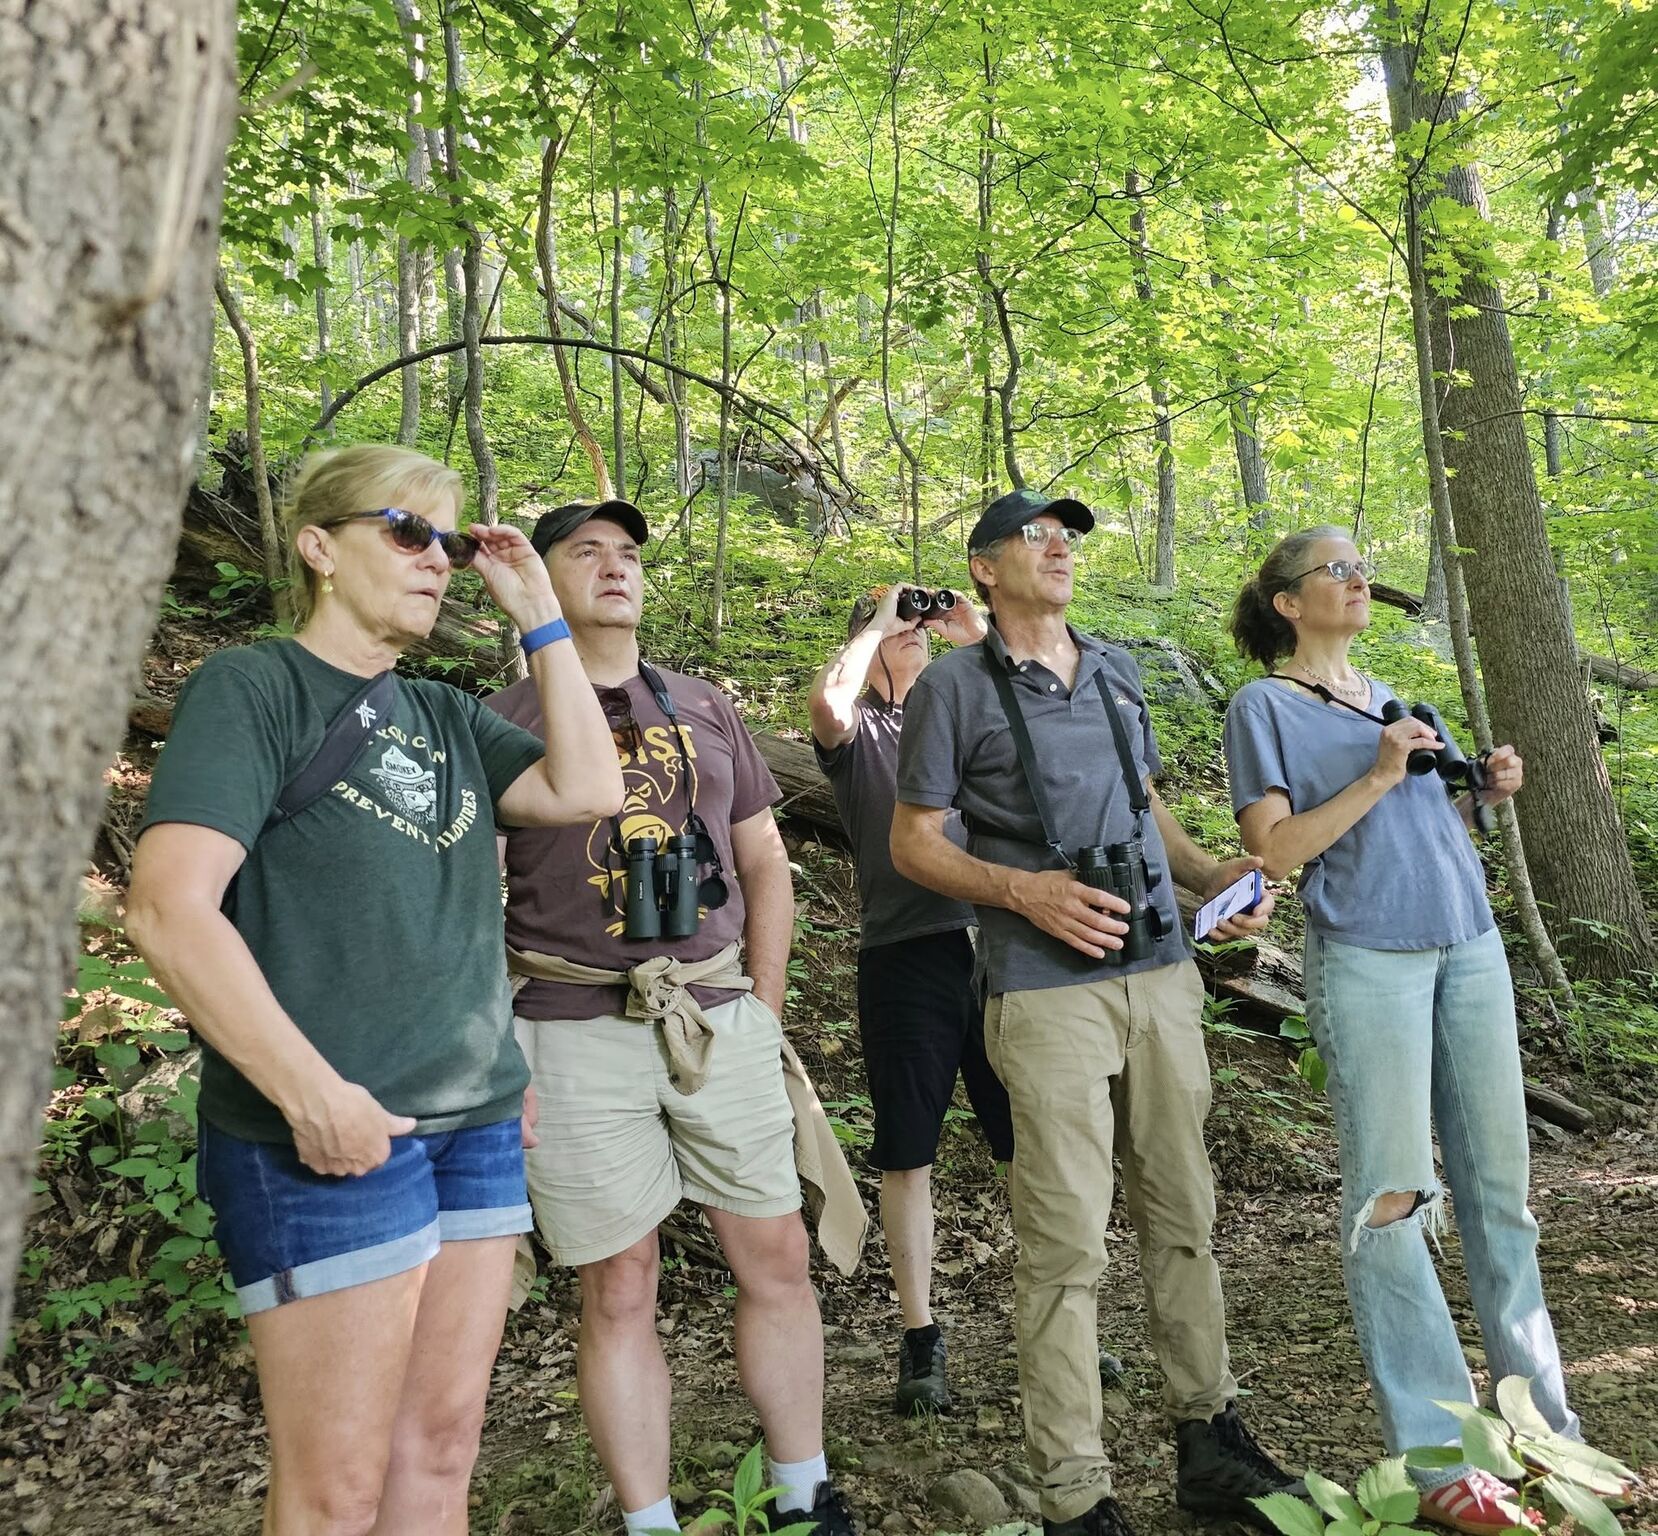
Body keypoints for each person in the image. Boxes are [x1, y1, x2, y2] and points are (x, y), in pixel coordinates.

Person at [125, 445, 623, 1536]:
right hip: (326, 1140)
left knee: (436, 1458)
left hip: (475, 1126)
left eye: (450, 544)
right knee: (335, 1493)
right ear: (317, 547)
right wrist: (310, 1093)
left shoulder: (443, 717)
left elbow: (589, 784)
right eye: (406, 532)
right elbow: (167, 909)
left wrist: (538, 609)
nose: (436, 561)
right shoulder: (252, 688)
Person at [889, 487, 1304, 1536]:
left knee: (1184, 1216)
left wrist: (1213, 873)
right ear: (984, 568)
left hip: (1161, 975)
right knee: (1066, 1245)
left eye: (1066, 536)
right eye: (1035, 537)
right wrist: (1019, 889)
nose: (1058, 548)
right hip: (1041, 990)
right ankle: (1076, 1492)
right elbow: (912, 844)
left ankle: (1207, 1438)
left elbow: (1142, 803)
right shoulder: (951, 688)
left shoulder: (1115, 666)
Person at [486, 499, 864, 1536]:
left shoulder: (703, 705)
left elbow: (762, 867)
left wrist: (764, 1011)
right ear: (541, 582)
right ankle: (648, 1520)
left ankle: (802, 1493)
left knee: (775, 1256)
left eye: (626, 555)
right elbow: (473, 896)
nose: (613, 568)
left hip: (715, 1012)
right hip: (569, 1027)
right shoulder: (501, 719)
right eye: (584, 553)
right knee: (618, 1283)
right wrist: (492, 1052)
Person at [1223, 526, 1598, 1534]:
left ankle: (1542, 1438)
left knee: (1500, 1199)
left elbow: (1432, 831)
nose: (1356, 583)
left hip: (1469, 950)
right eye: (1334, 572)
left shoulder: (1396, 697)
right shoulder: (1263, 707)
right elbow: (1273, 851)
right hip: (1366, 963)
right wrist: (1380, 772)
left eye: (1358, 569)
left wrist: (1482, 791)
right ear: (1287, 603)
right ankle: (1438, 1464)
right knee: (1392, 1206)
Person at [808, 582, 1016, 1414]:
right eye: (902, 632)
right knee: (907, 1150)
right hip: (904, 956)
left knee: (1022, 1142)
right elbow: (828, 699)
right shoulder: (859, 734)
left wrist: (975, 634)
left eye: (920, 631)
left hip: (999, 947)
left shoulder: (960, 718)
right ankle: (920, 1335)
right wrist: (877, 624)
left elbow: (1028, 714)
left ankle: (1055, 1311)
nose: (915, 637)